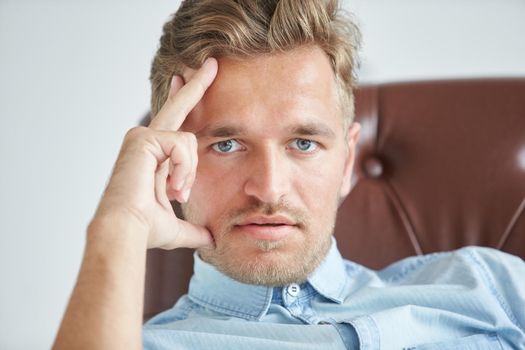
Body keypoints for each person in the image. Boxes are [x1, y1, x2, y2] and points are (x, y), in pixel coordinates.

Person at [53, 1, 525, 349]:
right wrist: (118, 227)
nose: (270, 188)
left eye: (303, 143)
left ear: (346, 161)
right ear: (169, 163)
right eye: (226, 145)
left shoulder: (489, 285)